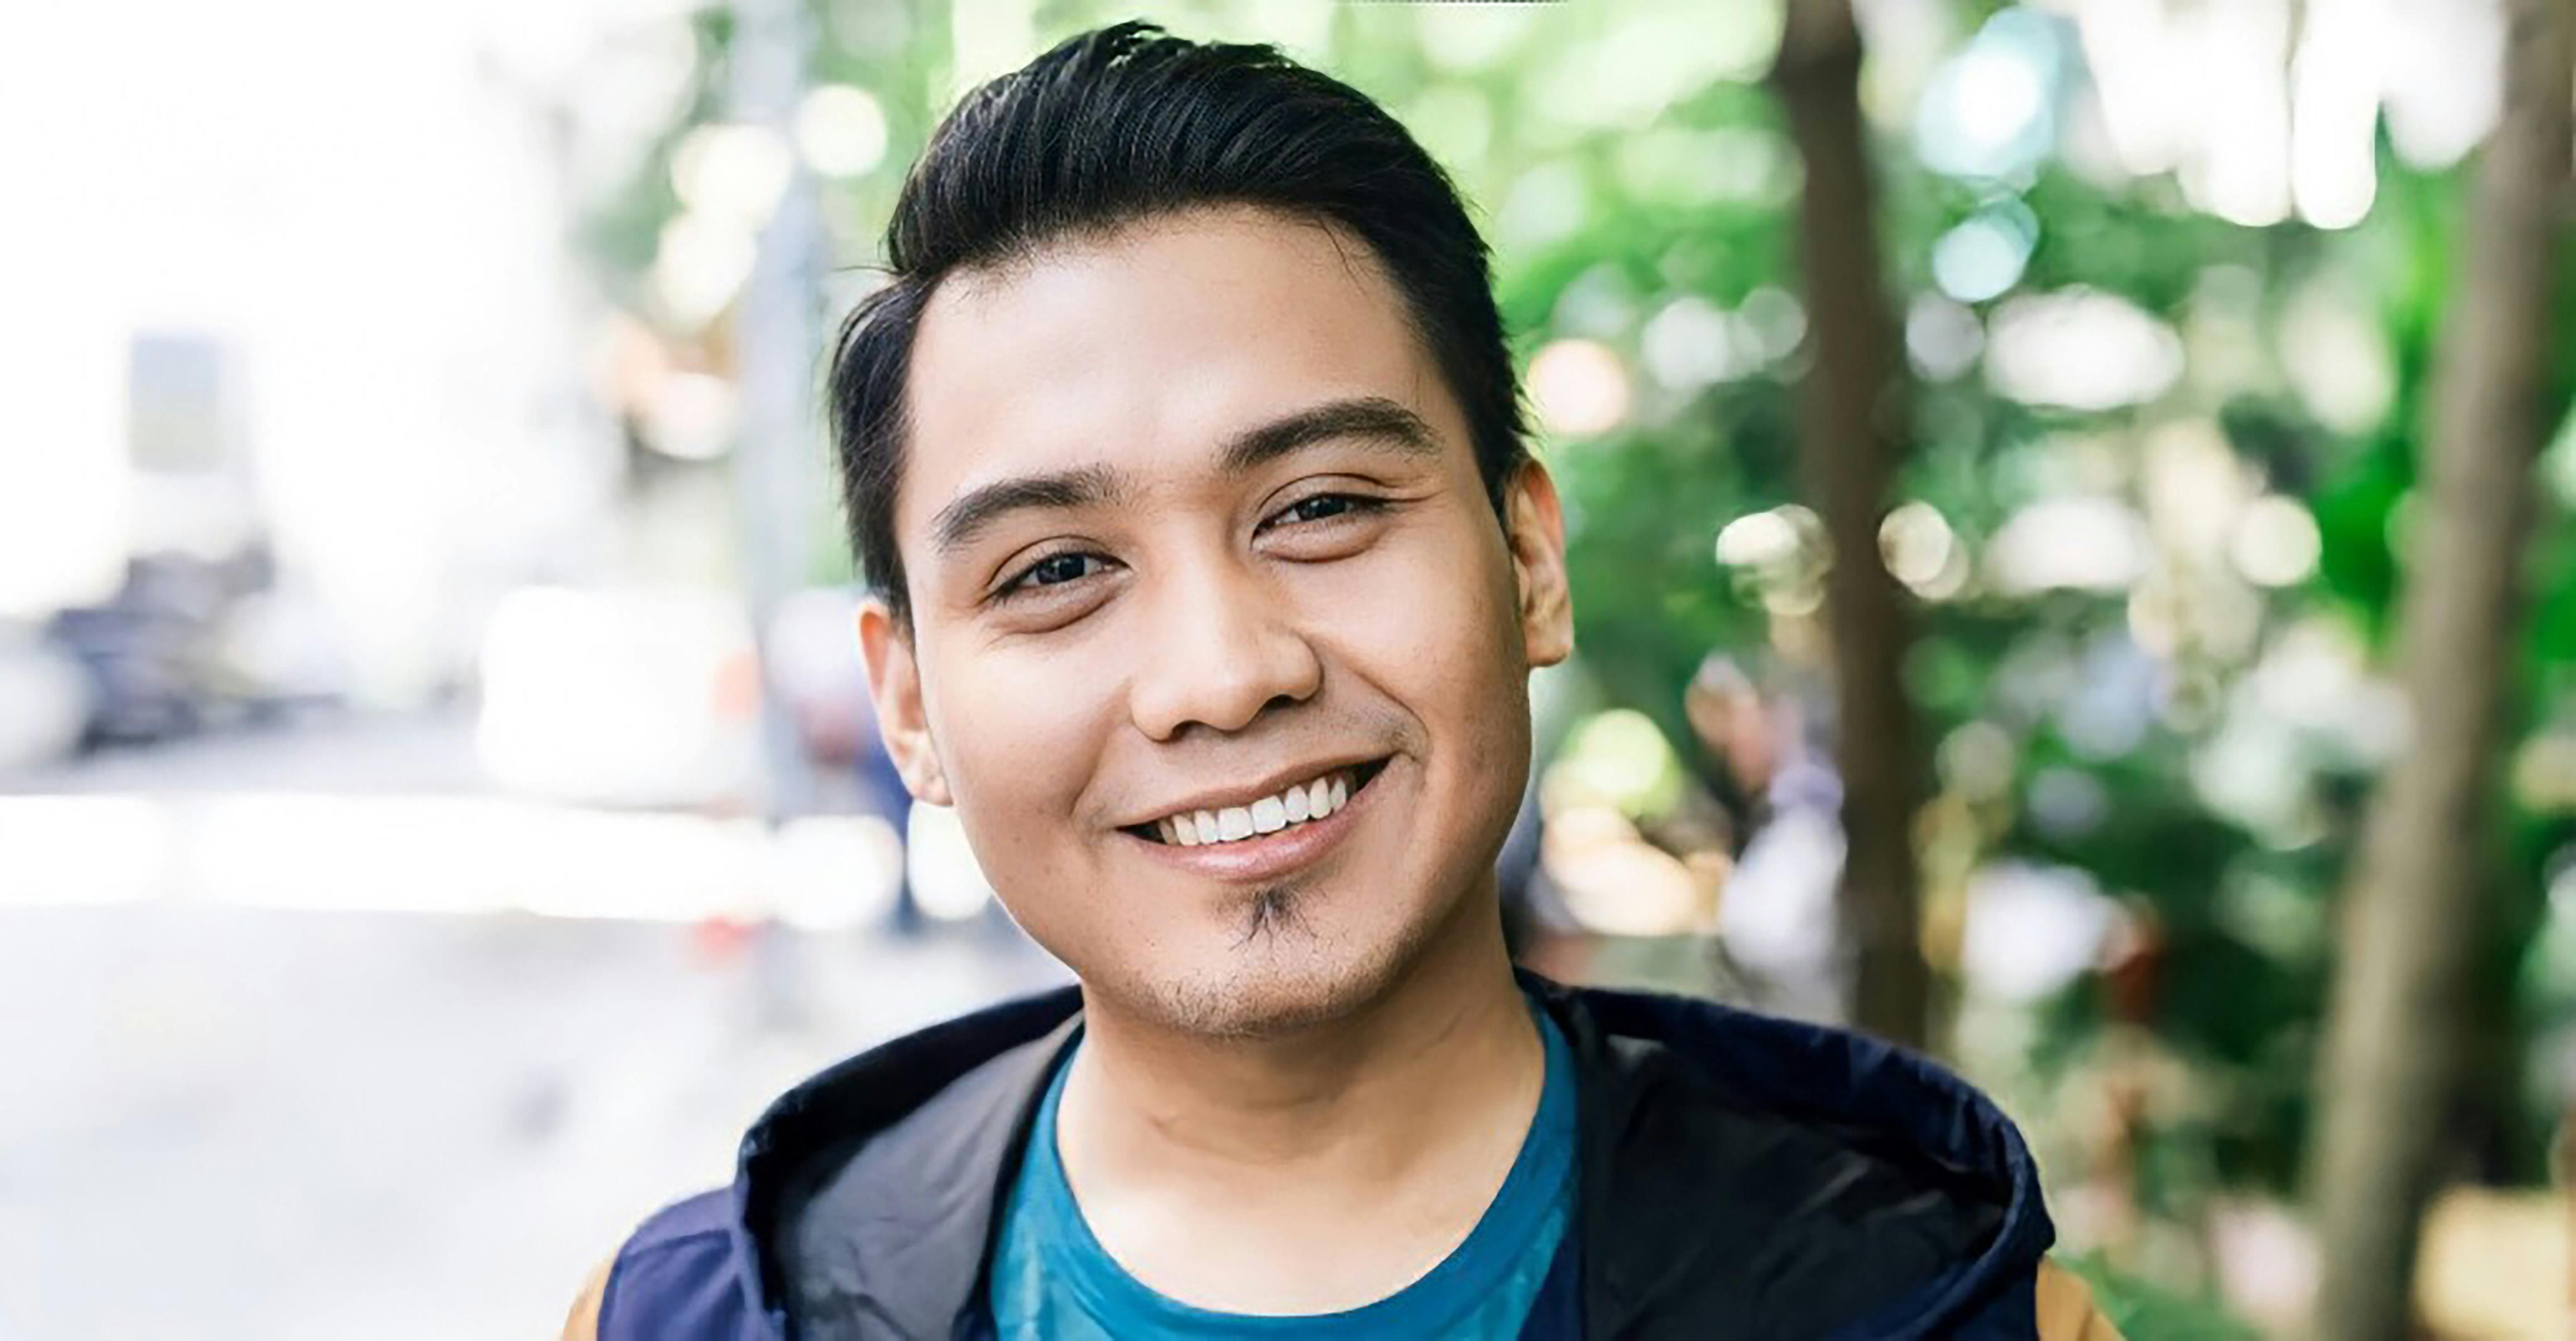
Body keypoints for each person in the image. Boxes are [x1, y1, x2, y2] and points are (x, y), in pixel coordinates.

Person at [561, 23, 2118, 1341]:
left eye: (1319, 509)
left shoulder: (1948, 1306)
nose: (1224, 674)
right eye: (1053, 571)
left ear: (1527, 561)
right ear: (909, 707)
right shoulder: (685, 1311)